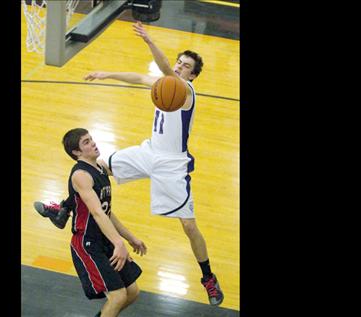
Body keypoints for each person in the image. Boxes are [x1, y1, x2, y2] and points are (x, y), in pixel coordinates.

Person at [35, 21, 224, 306]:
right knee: (93, 166)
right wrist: (106, 74)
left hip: (172, 163)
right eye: (178, 62)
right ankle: (62, 209)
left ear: (193, 76)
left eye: (185, 66)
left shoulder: (185, 92)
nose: (178, 67)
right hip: (149, 151)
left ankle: (208, 277)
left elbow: (164, 71)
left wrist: (149, 42)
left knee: (188, 225)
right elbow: (138, 78)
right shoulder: (164, 83)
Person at [37, 128, 147, 317]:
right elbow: (96, 213)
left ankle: (60, 210)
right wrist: (118, 243)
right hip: (87, 243)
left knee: (132, 293)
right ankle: (60, 209)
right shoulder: (81, 175)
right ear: (76, 153)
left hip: (104, 239)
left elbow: (107, 212)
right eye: (86, 142)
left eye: (91, 139)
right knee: (118, 296)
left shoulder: (100, 168)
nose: (93, 143)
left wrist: (130, 238)